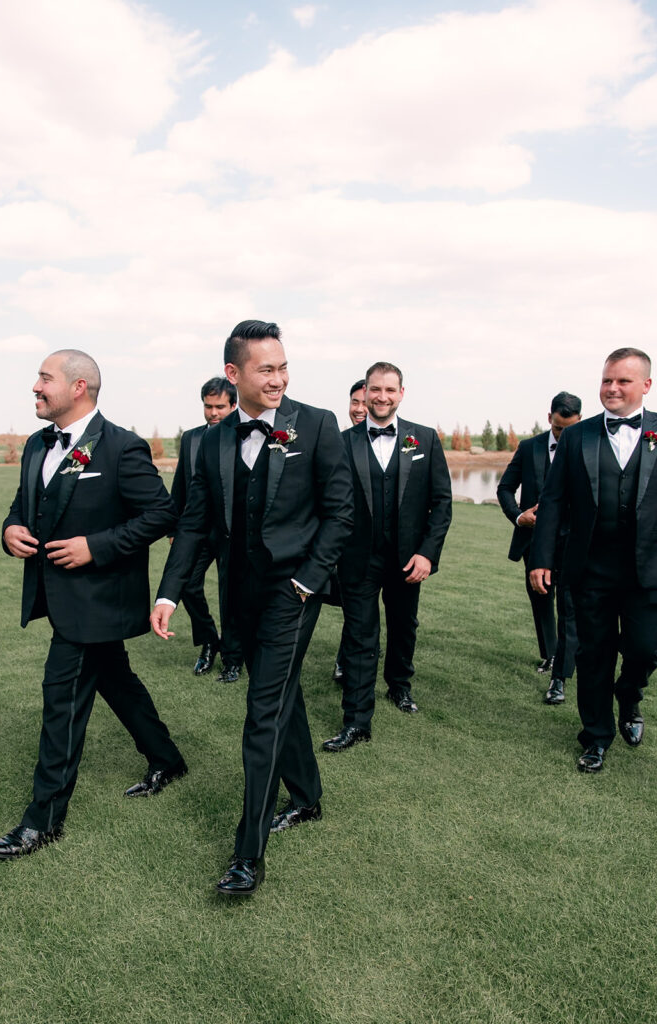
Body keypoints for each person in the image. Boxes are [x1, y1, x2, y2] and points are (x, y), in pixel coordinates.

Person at [150, 320, 353, 895]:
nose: (280, 379)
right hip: (240, 591)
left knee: (261, 711)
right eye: (267, 369)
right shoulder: (209, 440)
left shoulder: (315, 424)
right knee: (281, 692)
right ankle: (308, 798)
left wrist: (308, 583)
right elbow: (194, 524)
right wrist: (168, 593)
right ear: (234, 375)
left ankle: (248, 854)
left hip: (294, 593)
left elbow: (340, 513)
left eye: (284, 366)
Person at [0, 350, 186, 859]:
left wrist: (96, 546)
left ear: (79, 387)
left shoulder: (122, 447)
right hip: (56, 594)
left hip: (98, 599)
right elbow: (22, 501)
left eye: (44, 378)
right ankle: (167, 759)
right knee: (115, 678)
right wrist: (10, 529)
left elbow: (160, 514)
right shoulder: (35, 444)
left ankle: (41, 822)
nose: (35, 386)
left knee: (62, 699)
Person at [530, 348, 657, 773]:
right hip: (590, 568)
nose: (612, 388)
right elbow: (552, 501)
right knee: (593, 655)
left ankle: (630, 694)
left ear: (646, 385)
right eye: (607, 380)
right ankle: (596, 736)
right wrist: (542, 557)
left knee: (644, 649)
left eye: (622, 381)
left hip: (649, 571)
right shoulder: (577, 437)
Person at [324, 361, 452, 751]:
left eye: (389, 390)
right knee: (362, 636)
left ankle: (400, 686)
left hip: (408, 558)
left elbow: (442, 502)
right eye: (374, 390)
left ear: (401, 393)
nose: (381, 397)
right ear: (364, 392)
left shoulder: (424, 439)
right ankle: (357, 720)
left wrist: (427, 554)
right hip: (357, 560)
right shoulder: (343, 443)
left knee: (403, 625)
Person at [497, 392, 582, 703]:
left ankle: (561, 670)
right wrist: (520, 517)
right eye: (559, 428)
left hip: (573, 542)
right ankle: (549, 655)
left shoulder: (586, 447)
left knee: (569, 608)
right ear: (550, 419)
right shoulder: (529, 447)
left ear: (580, 422)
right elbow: (505, 487)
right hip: (534, 542)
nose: (564, 434)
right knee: (541, 602)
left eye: (570, 428)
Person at [172, 377, 243, 682]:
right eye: (208, 406)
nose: (213, 413)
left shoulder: (246, 436)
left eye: (220, 407)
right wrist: (176, 527)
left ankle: (233, 659)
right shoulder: (191, 438)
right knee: (186, 584)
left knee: (231, 595)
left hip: (234, 532)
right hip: (199, 531)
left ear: (233, 405)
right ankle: (209, 641)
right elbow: (181, 485)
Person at [333, 379, 370, 683]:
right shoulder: (336, 441)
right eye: (354, 402)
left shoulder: (402, 443)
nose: (359, 409)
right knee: (352, 606)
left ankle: (349, 659)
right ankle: (347, 658)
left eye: (363, 402)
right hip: (343, 543)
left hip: (379, 546)